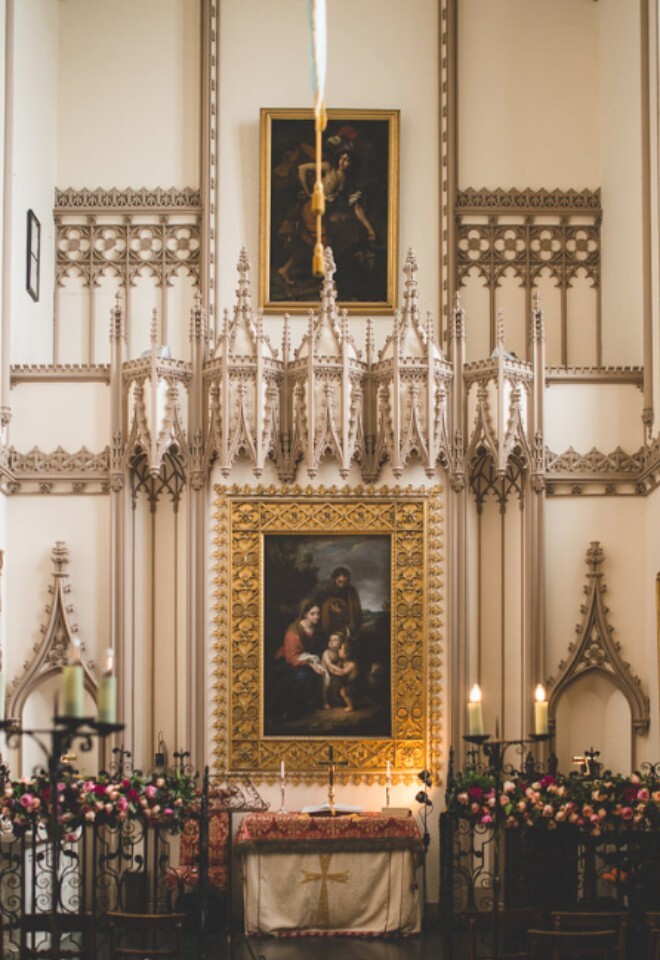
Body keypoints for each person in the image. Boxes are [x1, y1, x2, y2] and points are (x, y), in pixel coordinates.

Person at [277, 144, 375, 287]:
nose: (343, 162)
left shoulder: (347, 182)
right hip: (312, 209)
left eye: (347, 160)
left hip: (323, 214)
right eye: (342, 158)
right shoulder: (328, 168)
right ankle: (329, 282)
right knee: (324, 244)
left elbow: (357, 208)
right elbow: (301, 169)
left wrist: (369, 228)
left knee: (309, 245)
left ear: (351, 163)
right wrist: (309, 192)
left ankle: (284, 270)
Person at [274, 599, 324, 718]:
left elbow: (316, 650)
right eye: (312, 614)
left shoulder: (317, 630)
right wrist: (311, 664)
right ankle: (294, 712)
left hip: (306, 659)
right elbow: (291, 658)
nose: (316, 616)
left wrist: (317, 663)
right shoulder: (294, 632)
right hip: (289, 662)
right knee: (304, 677)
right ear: (305, 614)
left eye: (318, 613)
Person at [315, 566, 363, 642]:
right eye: (339, 582)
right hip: (326, 625)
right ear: (334, 579)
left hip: (344, 626)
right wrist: (327, 607)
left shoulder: (351, 591)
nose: (342, 585)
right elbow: (315, 605)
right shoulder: (324, 588)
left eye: (345, 582)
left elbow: (355, 613)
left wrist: (341, 611)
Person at [320, 631, 349, 708]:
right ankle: (325, 702)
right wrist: (341, 670)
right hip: (326, 673)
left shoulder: (340, 652)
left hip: (335, 674)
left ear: (341, 643)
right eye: (330, 640)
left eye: (335, 640)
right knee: (325, 684)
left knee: (340, 683)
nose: (331, 642)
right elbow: (330, 665)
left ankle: (339, 698)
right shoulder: (326, 653)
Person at [336, 638, 359, 712]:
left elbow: (343, 672)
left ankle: (350, 706)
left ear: (347, 653)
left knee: (344, 691)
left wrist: (335, 671)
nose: (339, 651)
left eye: (341, 649)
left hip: (353, 684)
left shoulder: (352, 664)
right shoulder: (342, 661)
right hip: (346, 683)